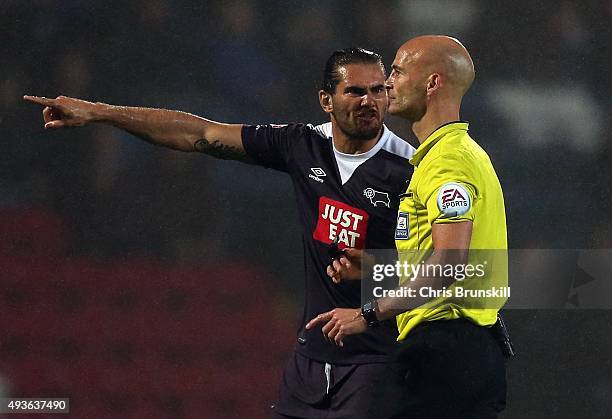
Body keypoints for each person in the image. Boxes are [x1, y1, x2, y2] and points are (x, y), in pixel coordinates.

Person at [24, 48, 415, 419]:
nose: (369, 101)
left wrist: (377, 268)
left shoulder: (412, 168)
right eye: (356, 91)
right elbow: (202, 134)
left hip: (378, 357)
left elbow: (461, 274)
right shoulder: (303, 144)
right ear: (326, 100)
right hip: (310, 359)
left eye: (378, 90)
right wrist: (98, 113)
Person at [307, 35, 509, 418]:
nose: (387, 84)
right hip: (463, 352)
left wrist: (366, 313)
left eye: (397, 72)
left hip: (445, 350)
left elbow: (450, 262)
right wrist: (378, 267)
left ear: (432, 84)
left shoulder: (448, 161)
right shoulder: (455, 155)